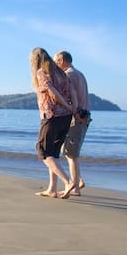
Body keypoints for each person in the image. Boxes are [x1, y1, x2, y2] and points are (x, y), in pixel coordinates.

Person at [29, 47, 77, 198]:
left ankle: (68, 182)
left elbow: (53, 93)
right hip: (66, 117)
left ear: (35, 60)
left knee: (43, 151)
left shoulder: (41, 73)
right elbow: (73, 92)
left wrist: (65, 105)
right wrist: (72, 108)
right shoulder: (61, 73)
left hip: (51, 116)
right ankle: (52, 189)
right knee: (54, 153)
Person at [55, 50, 90, 196]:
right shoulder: (80, 74)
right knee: (69, 150)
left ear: (62, 60)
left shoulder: (68, 75)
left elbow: (70, 97)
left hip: (77, 116)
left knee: (71, 154)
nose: (55, 65)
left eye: (56, 61)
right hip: (84, 116)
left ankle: (74, 187)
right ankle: (78, 181)